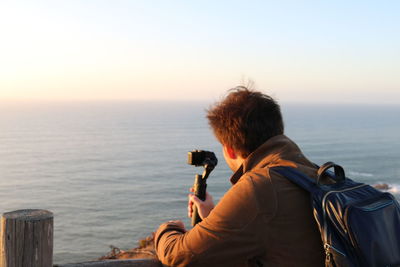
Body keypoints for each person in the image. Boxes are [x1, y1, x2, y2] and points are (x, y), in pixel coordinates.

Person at [154, 86, 325, 266]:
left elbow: (182, 255)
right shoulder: (312, 173)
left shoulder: (259, 187)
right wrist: (213, 217)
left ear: (229, 149)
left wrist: (168, 229)